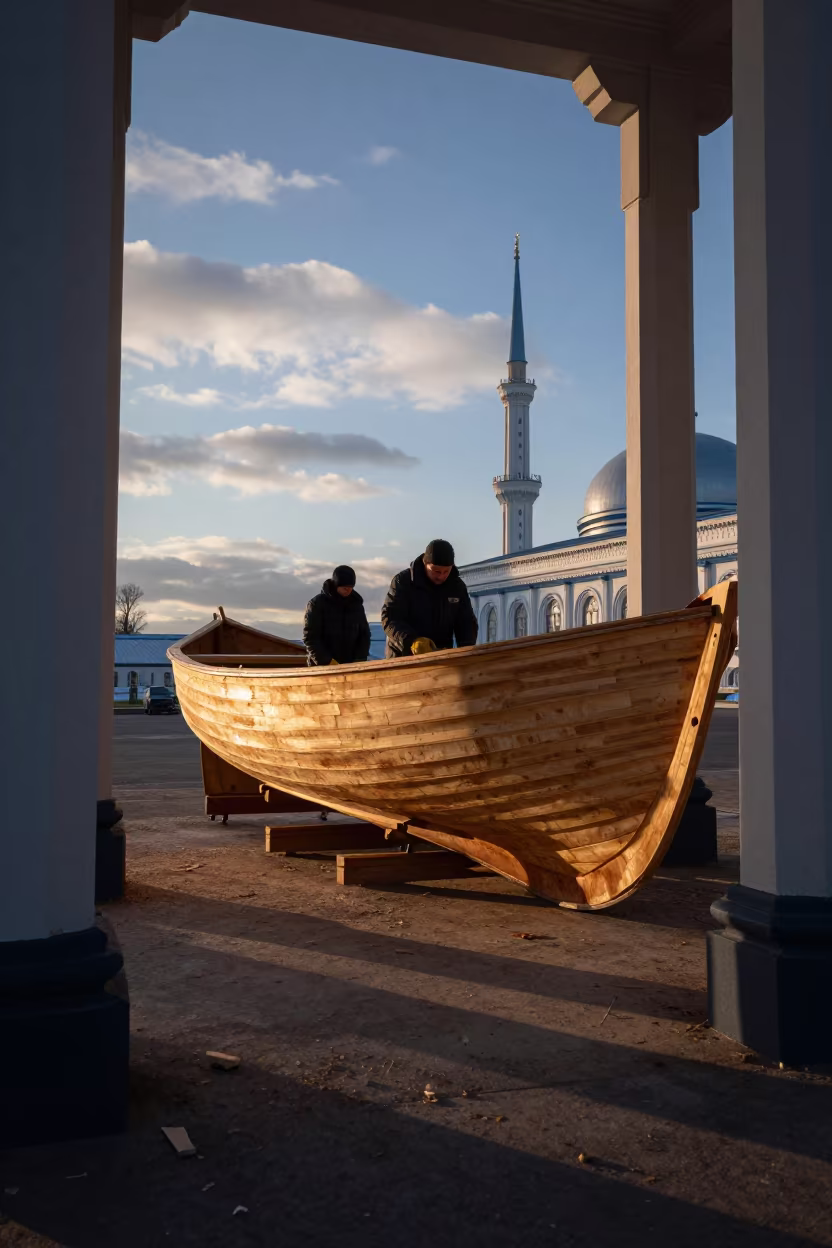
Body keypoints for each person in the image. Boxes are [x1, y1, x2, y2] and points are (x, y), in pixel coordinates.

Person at [381, 539, 478, 658]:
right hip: (403, 656)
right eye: (436, 571)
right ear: (425, 563)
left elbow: (465, 622)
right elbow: (390, 618)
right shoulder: (403, 582)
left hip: (441, 655)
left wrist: (466, 650)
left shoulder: (457, 587)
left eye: (446, 571)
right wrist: (412, 641)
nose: (441, 576)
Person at [303, 565, 371, 666]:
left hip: (351, 665)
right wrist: (327, 661)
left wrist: (360, 659)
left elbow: (364, 635)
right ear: (336, 585)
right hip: (322, 667)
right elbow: (311, 637)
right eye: (344, 587)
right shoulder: (317, 604)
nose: (348, 590)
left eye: (350, 587)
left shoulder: (356, 605)